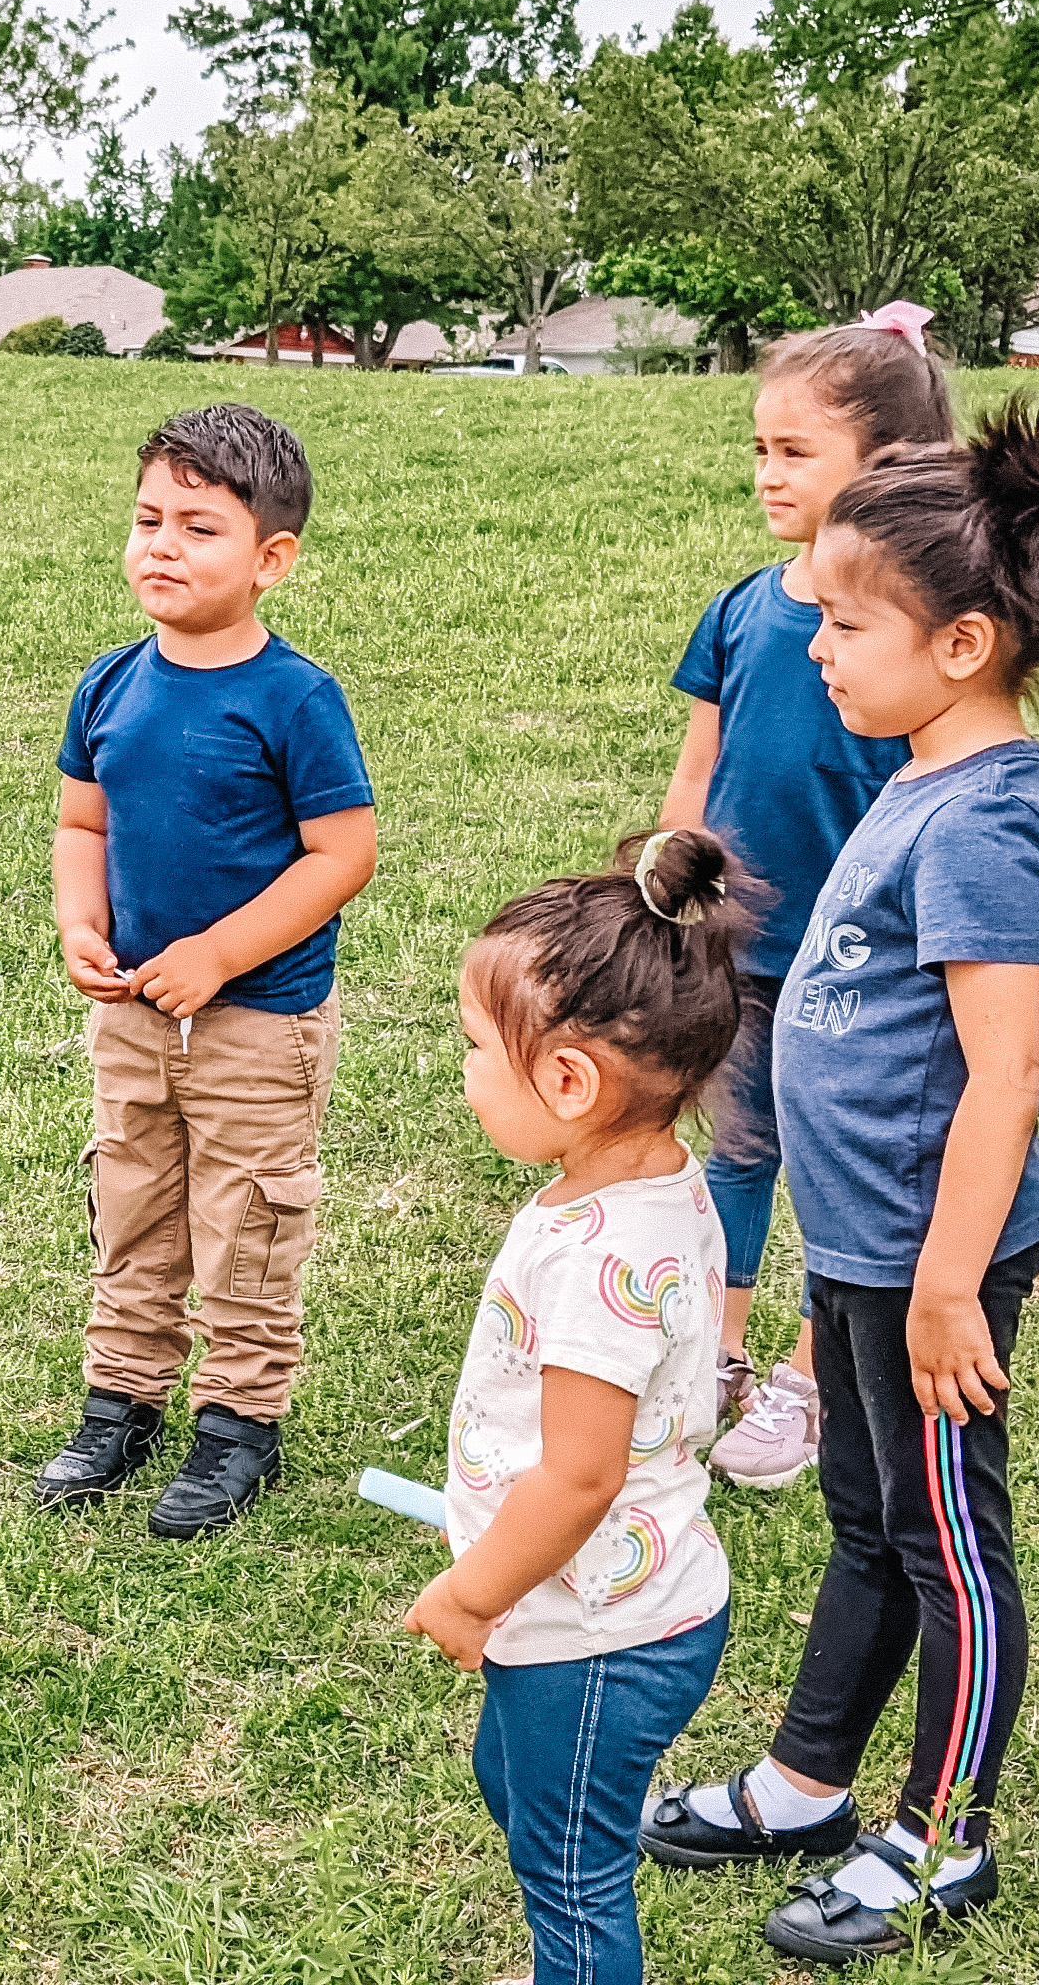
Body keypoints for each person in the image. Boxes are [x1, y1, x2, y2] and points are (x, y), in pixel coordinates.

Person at [641, 402, 1039, 1967]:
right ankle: (814, 1777)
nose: (816, 645)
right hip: (869, 1249)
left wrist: (952, 1282)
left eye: (845, 620)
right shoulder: (921, 775)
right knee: (869, 1523)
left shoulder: (988, 821)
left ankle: (941, 1837)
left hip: (935, 1269)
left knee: (949, 1544)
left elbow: (1005, 1075)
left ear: (962, 643)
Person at [404, 828, 757, 1984]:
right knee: (514, 1787)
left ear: (567, 1079)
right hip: (605, 1609)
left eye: (472, 1050)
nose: (462, 1072)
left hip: (595, 1632)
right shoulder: (648, 1180)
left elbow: (580, 1476)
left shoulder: (599, 1258)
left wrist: (471, 1593)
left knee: (570, 1874)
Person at [35, 404, 377, 1538]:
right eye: (147, 519)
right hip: (132, 1017)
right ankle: (120, 1398)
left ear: (272, 560)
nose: (162, 546)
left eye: (199, 527)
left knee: (248, 1223)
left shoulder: (294, 699)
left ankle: (239, 1424)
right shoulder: (108, 684)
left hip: (256, 1027)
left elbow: (344, 855)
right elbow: (82, 824)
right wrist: (81, 922)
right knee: (132, 1205)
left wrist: (220, 954)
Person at [661, 305, 950, 1490]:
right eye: (760, 450)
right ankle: (716, 1357)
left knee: (839, 1168)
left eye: (795, 451)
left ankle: (810, 1377)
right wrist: (672, 883)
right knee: (734, 1152)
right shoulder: (742, 609)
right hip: (741, 948)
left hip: (865, 965)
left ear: (881, 466)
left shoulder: (913, 631)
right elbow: (700, 766)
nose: (769, 473)